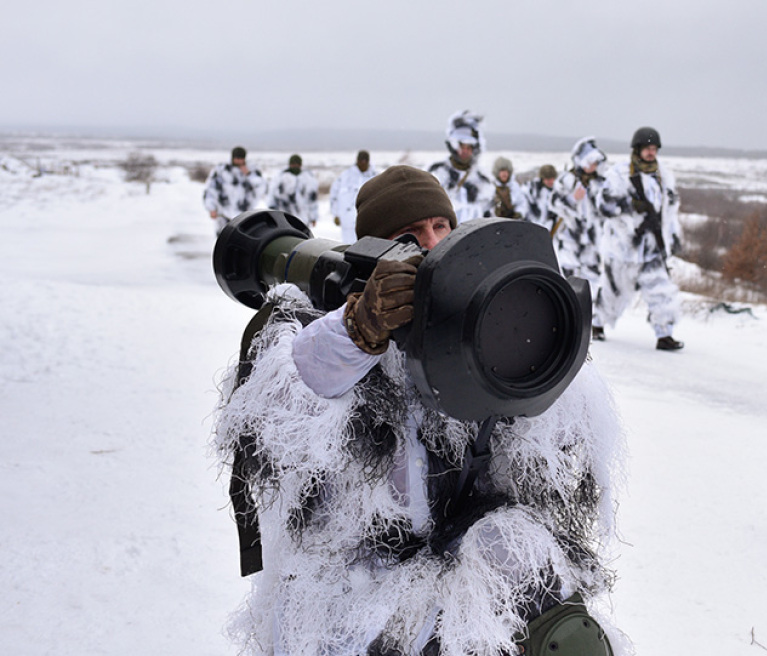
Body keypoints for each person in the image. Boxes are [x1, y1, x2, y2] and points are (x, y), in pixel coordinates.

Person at [213, 165, 624, 655]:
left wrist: (540, 347)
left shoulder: (474, 323)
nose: (431, 244)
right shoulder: (320, 331)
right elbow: (282, 419)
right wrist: (358, 332)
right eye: (409, 235)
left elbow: (553, 432)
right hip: (349, 589)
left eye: (441, 227)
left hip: (453, 562)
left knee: (558, 614)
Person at [594, 128, 684, 351]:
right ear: (637, 149)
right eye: (647, 149)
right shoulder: (620, 174)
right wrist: (629, 205)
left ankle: (664, 334)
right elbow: (603, 205)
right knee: (613, 292)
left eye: (654, 149)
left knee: (661, 291)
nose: (651, 153)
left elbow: (669, 212)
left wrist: (673, 236)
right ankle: (596, 324)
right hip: (622, 248)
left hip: (652, 248)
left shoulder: (664, 176)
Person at [550, 138, 624, 340]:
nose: (592, 167)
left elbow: (609, 209)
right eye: (589, 162)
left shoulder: (602, 183)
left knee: (591, 282)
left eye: (595, 163)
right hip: (571, 238)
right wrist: (573, 199)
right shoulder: (567, 180)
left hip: (593, 241)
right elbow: (554, 203)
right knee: (568, 279)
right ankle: (562, 320)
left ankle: (589, 324)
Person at [428, 111, 494, 225]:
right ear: (453, 145)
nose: (465, 151)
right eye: (461, 146)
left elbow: (490, 216)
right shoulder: (437, 172)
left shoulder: (483, 181)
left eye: (469, 147)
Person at [204, 146, 267, 234]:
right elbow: (211, 189)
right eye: (237, 158)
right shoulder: (222, 170)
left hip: (244, 214)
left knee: (242, 240)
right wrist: (212, 208)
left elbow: (261, 188)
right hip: (224, 213)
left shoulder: (252, 170)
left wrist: (249, 174)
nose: (239, 161)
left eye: (241, 158)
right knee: (223, 239)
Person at [330, 150, 378, 243]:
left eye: (365, 161)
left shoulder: (375, 177)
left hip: (368, 221)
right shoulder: (345, 176)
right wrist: (335, 214)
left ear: (368, 161)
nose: (363, 163)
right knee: (348, 248)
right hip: (347, 221)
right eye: (361, 161)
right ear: (357, 161)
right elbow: (334, 196)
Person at [268, 154, 320, 227]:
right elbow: (272, 196)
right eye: (293, 164)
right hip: (284, 217)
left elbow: (312, 200)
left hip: (303, 218)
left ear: (300, 165)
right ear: (290, 164)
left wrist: (314, 217)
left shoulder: (308, 179)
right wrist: (272, 213)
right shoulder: (281, 177)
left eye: (297, 164)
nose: (295, 166)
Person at [525, 164, 561, 234]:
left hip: (553, 229)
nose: (551, 181)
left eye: (552, 178)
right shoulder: (534, 191)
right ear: (542, 179)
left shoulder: (558, 190)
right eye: (548, 179)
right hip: (536, 227)